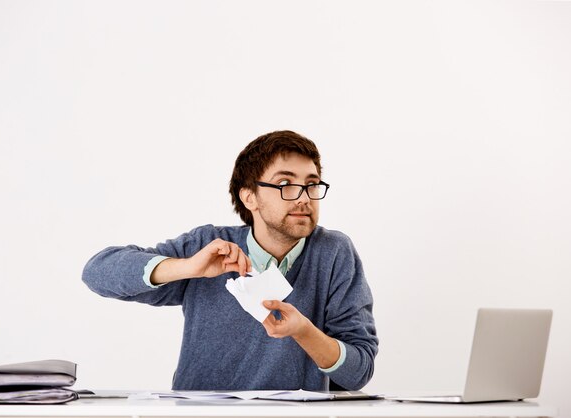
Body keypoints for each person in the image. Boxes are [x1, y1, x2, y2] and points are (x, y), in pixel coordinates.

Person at [82, 130, 378, 391]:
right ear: (250, 197)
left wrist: (304, 332)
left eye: (311, 185)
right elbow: (96, 272)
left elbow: (359, 372)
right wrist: (188, 267)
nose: (303, 198)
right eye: (286, 183)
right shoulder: (208, 246)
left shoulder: (334, 252)